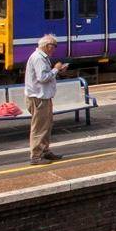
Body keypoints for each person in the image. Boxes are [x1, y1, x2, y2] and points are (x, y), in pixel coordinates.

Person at [24, 33, 66, 164]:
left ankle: (44, 151)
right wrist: (56, 69)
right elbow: (42, 78)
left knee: (46, 126)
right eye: (54, 46)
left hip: (43, 97)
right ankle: (36, 156)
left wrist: (56, 71)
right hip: (39, 98)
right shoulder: (38, 58)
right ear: (48, 46)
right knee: (39, 128)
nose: (55, 49)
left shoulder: (42, 57)